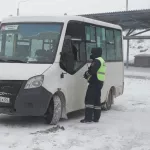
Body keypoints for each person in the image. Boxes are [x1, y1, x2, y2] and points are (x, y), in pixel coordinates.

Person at [80, 47, 106, 123]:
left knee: (89, 100)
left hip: (94, 82)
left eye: (92, 53)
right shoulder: (102, 60)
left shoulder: (97, 61)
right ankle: (96, 118)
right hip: (99, 82)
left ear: (95, 53)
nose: (91, 54)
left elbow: (92, 70)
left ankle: (88, 118)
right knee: (97, 101)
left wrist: (86, 74)